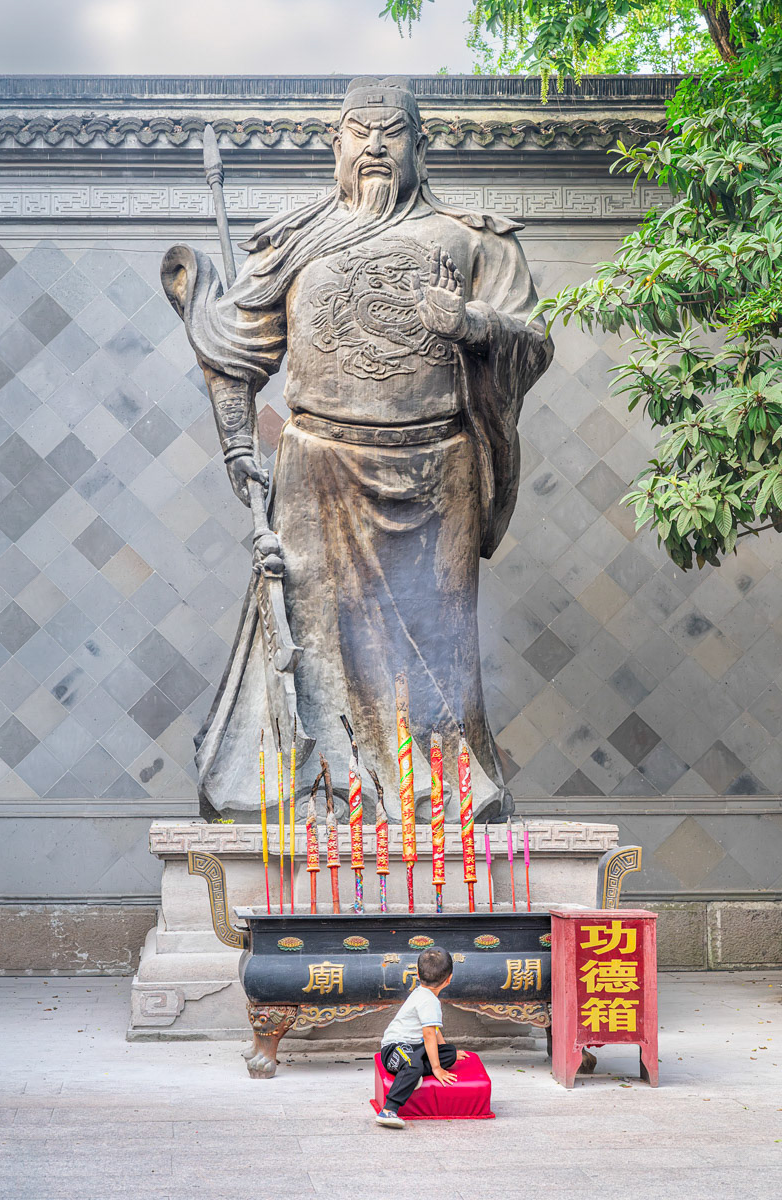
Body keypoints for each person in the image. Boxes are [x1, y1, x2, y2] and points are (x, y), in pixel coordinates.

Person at [162, 76, 553, 822]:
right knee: (313, 651)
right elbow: (235, 354)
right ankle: (326, 797)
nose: (376, 146)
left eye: (394, 131)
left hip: (439, 472)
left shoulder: (474, 241)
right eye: (360, 131)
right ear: (335, 143)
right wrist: (240, 446)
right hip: (316, 472)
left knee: (438, 652)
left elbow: (532, 343)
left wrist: (470, 322)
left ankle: (438, 802)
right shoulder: (293, 242)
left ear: (420, 146)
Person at [375, 945, 468, 1129]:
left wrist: (444, 1052)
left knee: (450, 1052)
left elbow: (433, 1030)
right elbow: (428, 1035)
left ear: (417, 974)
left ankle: (412, 1074)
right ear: (449, 980)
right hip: (394, 1049)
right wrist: (437, 1068)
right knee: (413, 1064)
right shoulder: (428, 1001)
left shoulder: (424, 995)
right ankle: (389, 1109)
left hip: (414, 1048)